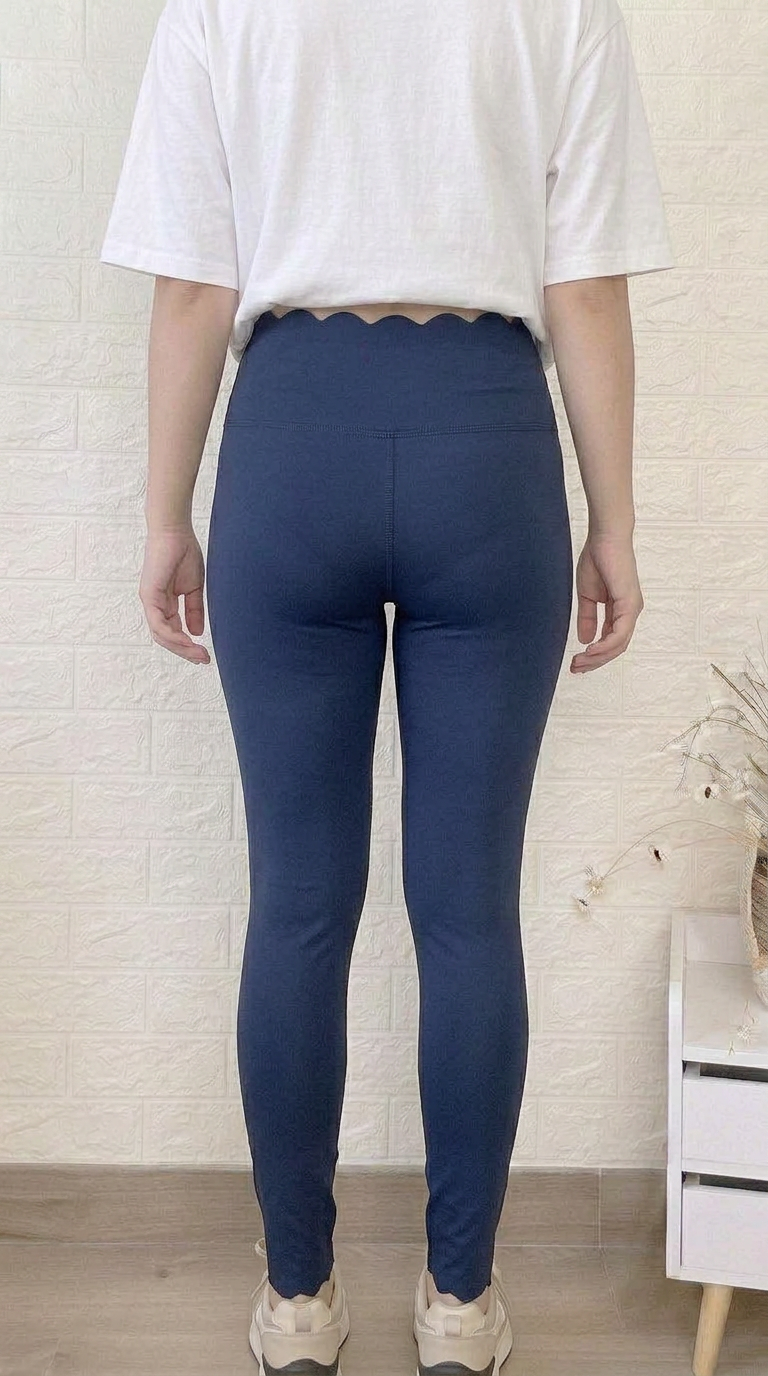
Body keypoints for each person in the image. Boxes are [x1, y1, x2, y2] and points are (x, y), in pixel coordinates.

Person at [100, 0, 676, 1370]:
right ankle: (461, 1306)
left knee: (298, 905)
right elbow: (586, 290)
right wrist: (615, 522)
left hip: (294, 442)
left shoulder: (218, 9)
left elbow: (191, 290)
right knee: (469, 912)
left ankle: (299, 1303)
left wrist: (165, 515)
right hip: (489, 446)